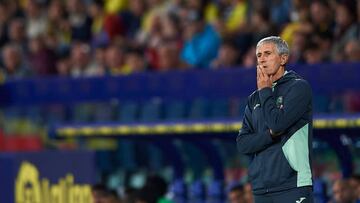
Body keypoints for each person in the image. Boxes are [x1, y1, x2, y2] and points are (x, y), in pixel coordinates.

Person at [236, 36, 313, 203]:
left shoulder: (298, 87)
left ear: (283, 58)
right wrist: (270, 135)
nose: (262, 59)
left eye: (267, 53)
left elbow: (277, 124)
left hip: (292, 184)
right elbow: (243, 144)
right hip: (261, 187)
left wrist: (265, 90)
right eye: (258, 55)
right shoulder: (254, 98)